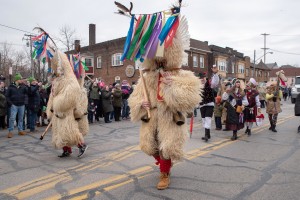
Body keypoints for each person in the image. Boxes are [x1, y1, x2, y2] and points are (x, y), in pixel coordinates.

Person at [127, 12, 201, 189]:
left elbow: (190, 99)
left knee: (166, 147)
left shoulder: (180, 74)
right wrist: (140, 104)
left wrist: (171, 86)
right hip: (152, 118)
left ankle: (164, 173)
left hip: (169, 118)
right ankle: (164, 164)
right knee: (150, 147)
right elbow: (134, 98)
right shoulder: (146, 76)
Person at [199, 65, 220, 142]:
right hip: (202, 104)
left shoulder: (209, 83)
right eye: (201, 78)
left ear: (205, 77)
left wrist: (215, 74)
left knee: (208, 119)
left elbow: (215, 83)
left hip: (209, 104)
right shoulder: (198, 86)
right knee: (204, 120)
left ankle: (206, 135)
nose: (202, 79)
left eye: (203, 78)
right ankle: (207, 134)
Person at [6, 73, 28, 138]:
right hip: (14, 105)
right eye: (21, 79)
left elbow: (28, 93)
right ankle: (10, 131)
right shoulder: (11, 86)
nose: (22, 80)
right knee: (12, 118)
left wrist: (27, 86)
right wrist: (10, 103)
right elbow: (7, 96)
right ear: (17, 80)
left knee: (21, 118)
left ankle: (20, 130)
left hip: (22, 104)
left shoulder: (23, 86)